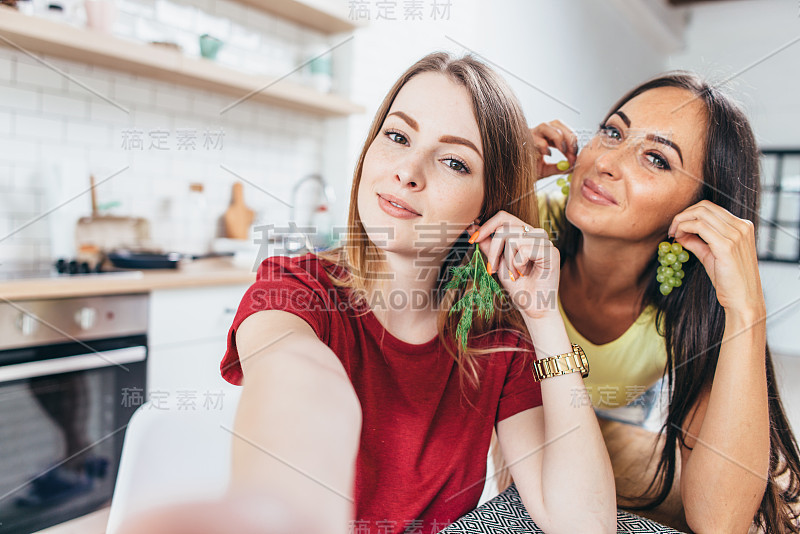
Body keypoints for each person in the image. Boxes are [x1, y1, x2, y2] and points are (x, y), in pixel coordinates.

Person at [212, 52, 616, 534]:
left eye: (453, 161)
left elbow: (585, 525)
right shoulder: (296, 289)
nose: (408, 170)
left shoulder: (498, 334)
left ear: (487, 207)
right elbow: (294, 381)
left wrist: (543, 316)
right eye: (398, 136)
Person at [514, 72, 800, 533]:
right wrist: (497, 181)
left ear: (698, 209)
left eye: (656, 158)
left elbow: (720, 520)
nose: (607, 161)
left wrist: (748, 310)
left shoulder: (689, 305)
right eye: (612, 132)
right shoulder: (521, 230)